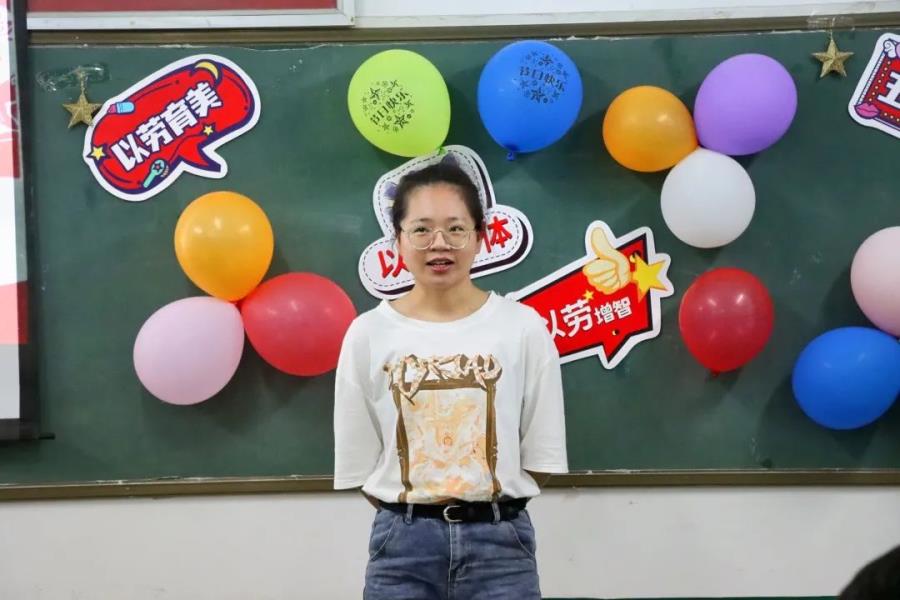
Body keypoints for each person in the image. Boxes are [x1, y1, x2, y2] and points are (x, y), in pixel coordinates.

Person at [333, 161, 568, 600]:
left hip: (501, 548)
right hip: (401, 549)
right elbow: (363, 464)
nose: (438, 243)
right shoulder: (368, 333)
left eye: (455, 229)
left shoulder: (522, 327)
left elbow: (541, 455)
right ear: (398, 241)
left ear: (480, 237)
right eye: (421, 230)